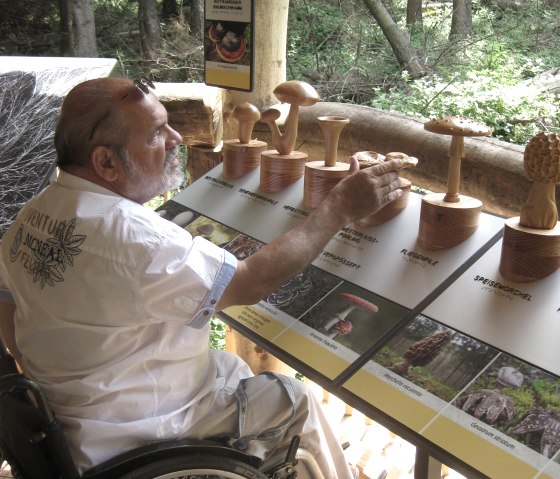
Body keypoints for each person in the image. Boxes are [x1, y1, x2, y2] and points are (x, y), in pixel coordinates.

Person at [0, 76, 402, 478]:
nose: (175, 137)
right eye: (156, 134)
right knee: (295, 399)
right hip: (138, 437)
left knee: (231, 368)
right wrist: (338, 210)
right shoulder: (133, 238)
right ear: (105, 162)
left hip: (66, 429)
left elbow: (9, 316)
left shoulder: (33, 215)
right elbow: (249, 282)